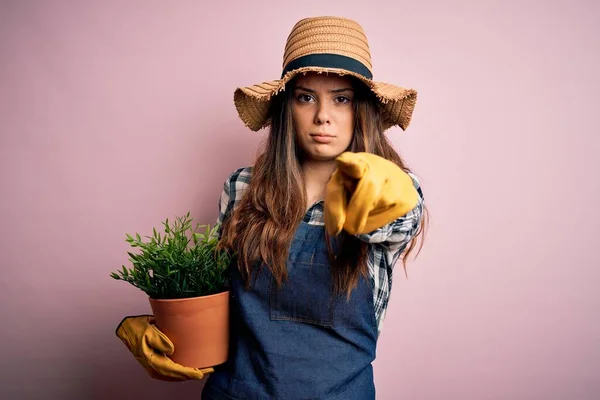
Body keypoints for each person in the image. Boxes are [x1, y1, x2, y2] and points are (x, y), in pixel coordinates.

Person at [117, 16, 427, 400]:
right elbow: (212, 298)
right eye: (305, 96)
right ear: (286, 106)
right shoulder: (242, 188)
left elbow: (399, 219)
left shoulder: (388, 191)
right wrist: (162, 326)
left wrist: (379, 189)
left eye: (342, 98)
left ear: (361, 109)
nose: (323, 116)